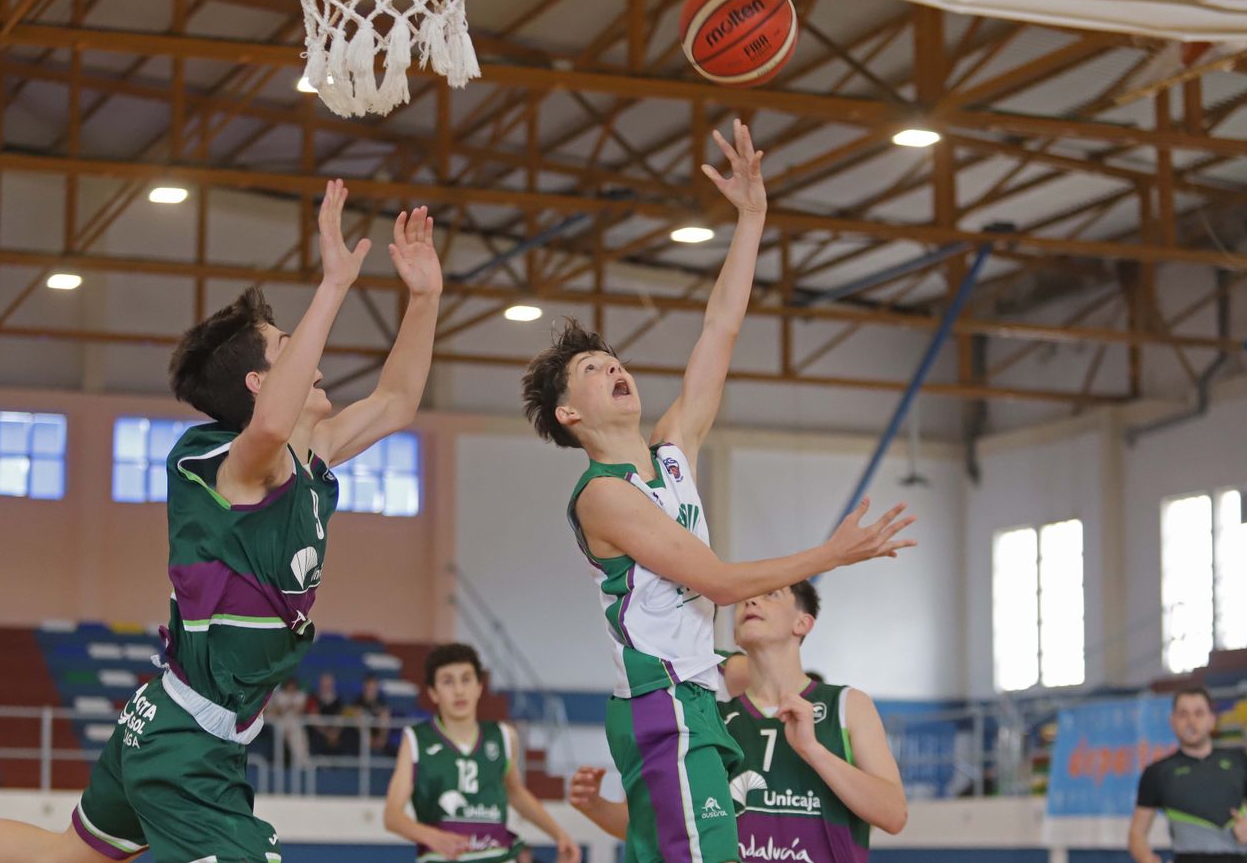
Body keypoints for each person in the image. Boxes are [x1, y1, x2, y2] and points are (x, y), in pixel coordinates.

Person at [0, 179, 445, 863]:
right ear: (258, 383)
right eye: (290, 347)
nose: (314, 360)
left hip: (180, 724)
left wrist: (425, 297)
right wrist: (333, 285)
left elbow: (397, 400)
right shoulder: (220, 461)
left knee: (65, 855)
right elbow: (269, 425)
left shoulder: (308, 455)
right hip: (184, 740)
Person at [519, 120, 918, 863]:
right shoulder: (601, 495)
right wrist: (830, 553)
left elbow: (721, 328)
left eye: (614, 360)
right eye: (593, 370)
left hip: (691, 698)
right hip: (663, 700)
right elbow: (719, 582)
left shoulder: (672, 451)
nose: (614, 368)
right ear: (570, 415)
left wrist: (752, 218)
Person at [568, 582, 908, 862]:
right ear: (734, 633)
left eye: (771, 594)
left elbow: (894, 815)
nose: (751, 601)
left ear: (803, 623)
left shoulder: (846, 704)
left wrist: (813, 750)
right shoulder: (711, 717)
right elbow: (668, 827)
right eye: (744, 598)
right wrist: (596, 806)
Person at [383, 644, 579, 863]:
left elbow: (515, 793)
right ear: (433, 692)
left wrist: (559, 834)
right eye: (448, 681)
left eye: (466, 679)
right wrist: (432, 836)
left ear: (479, 687)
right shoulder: (416, 739)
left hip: (496, 855)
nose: (459, 690)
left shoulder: (503, 736)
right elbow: (392, 816)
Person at [1129, 687, 1247, 863]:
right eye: (1183, 714)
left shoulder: (1239, 762)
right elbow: (1137, 833)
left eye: (1199, 713)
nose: (1191, 721)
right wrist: (1147, 859)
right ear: (1172, 721)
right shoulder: (1157, 772)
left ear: (1212, 720)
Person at [306, 671, 352, 758]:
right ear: (320, 684)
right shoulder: (313, 698)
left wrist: (334, 733)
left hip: (336, 734)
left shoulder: (338, 700)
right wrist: (327, 733)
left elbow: (341, 717)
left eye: (328, 684)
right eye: (324, 684)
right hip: (319, 733)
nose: (326, 686)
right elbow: (313, 717)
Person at [267, 677, 310, 768]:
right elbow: (277, 711)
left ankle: (301, 761)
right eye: (290, 686)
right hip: (281, 722)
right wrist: (288, 706)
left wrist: (288, 706)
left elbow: (300, 710)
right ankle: (278, 761)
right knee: (279, 732)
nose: (291, 688)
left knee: (298, 736)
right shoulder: (280, 695)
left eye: (293, 686)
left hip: (294, 723)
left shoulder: (300, 695)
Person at [353, 674, 392, 754]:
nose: (371, 691)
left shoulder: (382, 703)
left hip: (379, 738)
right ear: (364, 688)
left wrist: (382, 738)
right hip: (360, 740)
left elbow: (385, 723)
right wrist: (369, 741)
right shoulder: (358, 703)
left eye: (373, 688)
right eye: (369, 688)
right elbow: (358, 726)